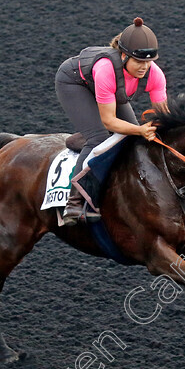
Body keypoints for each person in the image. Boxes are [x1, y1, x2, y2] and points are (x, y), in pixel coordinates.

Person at [55, 17, 168, 226]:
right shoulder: (107, 68)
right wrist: (139, 129)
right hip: (74, 83)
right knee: (99, 137)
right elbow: (110, 122)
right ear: (124, 56)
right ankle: (74, 202)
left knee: (130, 138)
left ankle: (78, 140)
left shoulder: (155, 74)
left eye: (148, 62)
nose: (144, 68)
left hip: (108, 89)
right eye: (138, 61)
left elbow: (163, 115)